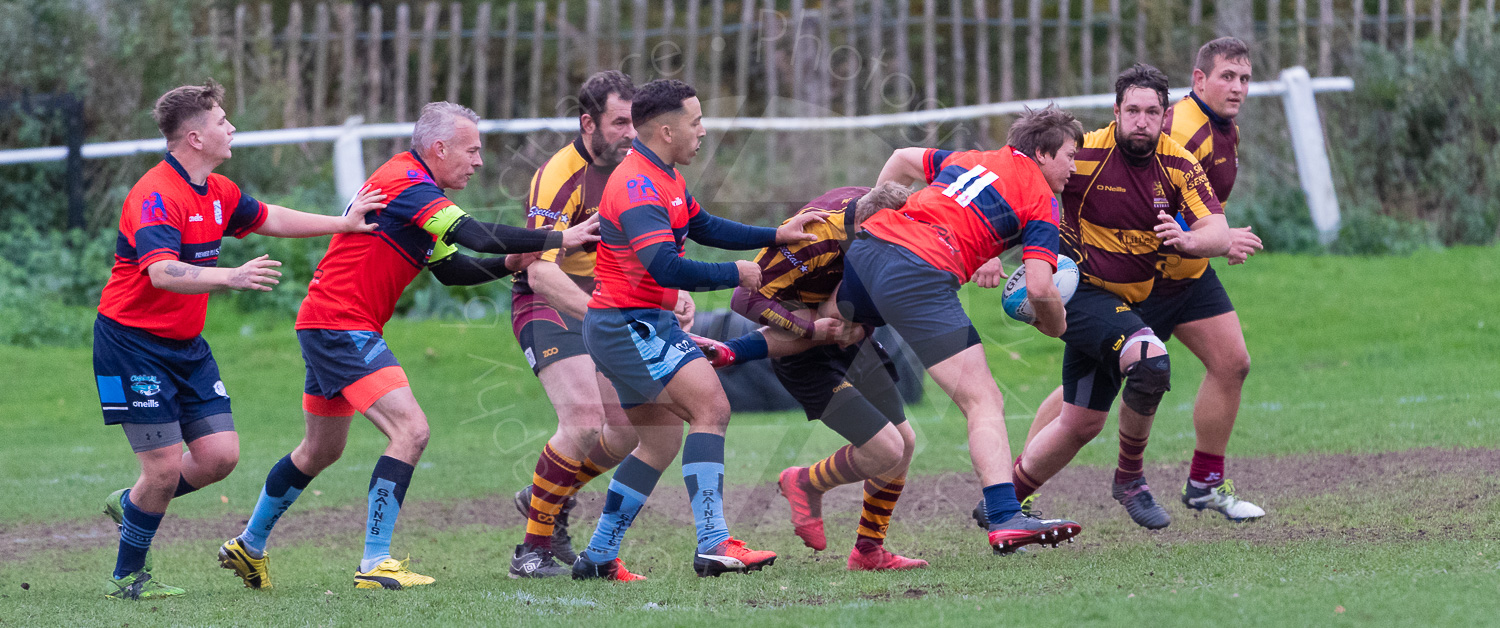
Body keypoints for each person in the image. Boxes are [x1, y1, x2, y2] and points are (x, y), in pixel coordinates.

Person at [216, 102, 599, 591]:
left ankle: (249, 546)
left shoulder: (420, 192)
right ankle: (376, 562)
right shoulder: (408, 183)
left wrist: (512, 262)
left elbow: (452, 267)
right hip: (341, 326)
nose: (478, 161)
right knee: (411, 430)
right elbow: (473, 234)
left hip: (329, 324)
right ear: (438, 148)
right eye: (471, 150)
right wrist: (559, 237)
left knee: (319, 450)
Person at [96, 79, 387, 600]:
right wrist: (230, 276)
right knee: (162, 470)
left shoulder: (219, 191)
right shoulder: (156, 195)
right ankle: (127, 577)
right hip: (131, 345)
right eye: (222, 122)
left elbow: (270, 217)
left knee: (219, 458)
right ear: (194, 137)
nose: (232, 128)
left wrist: (345, 224)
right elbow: (161, 272)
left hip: (185, 344)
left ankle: (133, 502)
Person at [569, 79, 825, 581]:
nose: (703, 131)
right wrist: (735, 273)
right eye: (696, 121)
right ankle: (713, 543)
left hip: (629, 323)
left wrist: (776, 234)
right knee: (712, 407)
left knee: (660, 442)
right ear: (667, 130)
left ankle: (598, 557)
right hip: (630, 325)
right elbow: (663, 265)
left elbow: (702, 225)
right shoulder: (638, 186)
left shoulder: (660, 174)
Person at [1016, 40, 1267, 523]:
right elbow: (1034, 183)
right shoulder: (1160, 133)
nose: (1237, 88)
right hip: (1130, 279)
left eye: (1244, 78)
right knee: (1089, 403)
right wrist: (1007, 251)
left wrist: (1207, 240)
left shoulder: (1207, 137)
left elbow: (1200, 217)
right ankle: (1017, 492)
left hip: (1181, 275)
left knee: (1230, 362)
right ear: (1198, 81)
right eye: (1227, 77)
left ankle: (1203, 484)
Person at [838, 104, 1086, 555]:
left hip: (868, 248)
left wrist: (878, 207)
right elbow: (1041, 288)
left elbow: (900, 158)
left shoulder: (972, 159)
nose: (1074, 166)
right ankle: (1005, 514)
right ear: (1044, 153)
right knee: (983, 399)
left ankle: (738, 352)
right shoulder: (1043, 201)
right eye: (1070, 155)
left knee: (828, 333)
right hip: (918, 273)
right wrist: (1057, 325)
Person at [506, 71, 672, 579]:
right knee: (580, 423)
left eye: (636, 122)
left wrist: (675, 291)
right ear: (588, 122)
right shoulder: (558, 176)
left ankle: (543, 495)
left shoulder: (638, 169)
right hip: (547, 302)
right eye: (620, 122)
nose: (631, 133)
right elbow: (534, 268)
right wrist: (606, 313)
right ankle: (530, 555)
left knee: (622, 434)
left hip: (604, 304)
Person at [727, 183, 928, 571]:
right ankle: (805, 482)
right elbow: (743, 298)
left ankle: (869, 551)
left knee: (904, 443)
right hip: (804, 353)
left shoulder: (873, 205)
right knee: (886, 450)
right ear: (869, 227)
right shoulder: (816, 239)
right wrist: (808, 329)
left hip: (854, 340)